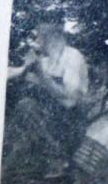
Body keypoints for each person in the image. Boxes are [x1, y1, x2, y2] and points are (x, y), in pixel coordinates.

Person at [6, 22, 90, 172]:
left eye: (38, 38)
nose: (35, 43)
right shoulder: (45, 62)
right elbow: (14, 72)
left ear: (49, 38)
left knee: (27, 106)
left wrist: (42, 76)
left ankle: (59, 161)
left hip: (71, 125)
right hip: (50, 126)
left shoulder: (72, 57)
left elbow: (70, 100)